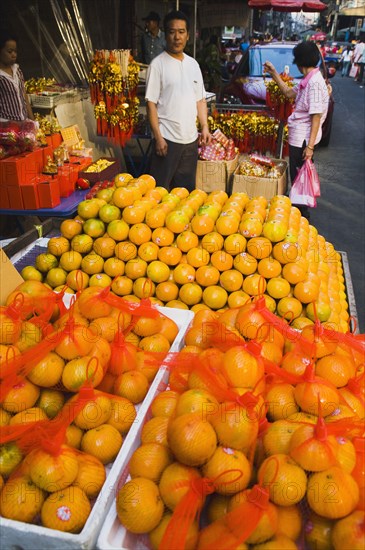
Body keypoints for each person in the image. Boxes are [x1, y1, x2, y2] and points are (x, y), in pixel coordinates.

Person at [145, 10, 211, 192]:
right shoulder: (157, 64)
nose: (177, 37)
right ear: (166, 34)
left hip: (190, 141)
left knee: (185, 193)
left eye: (181, 32)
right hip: (167, 140)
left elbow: (201, 100)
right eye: (172, 32)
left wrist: (204, 126)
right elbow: (150, 103)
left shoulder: (193, 64)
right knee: (159, 192)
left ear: (188, 35)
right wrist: (158, 137)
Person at [263, 41, 329, 220]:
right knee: (298, 178)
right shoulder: (307, 80)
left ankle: (301, 218)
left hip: (303, 140)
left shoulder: (314, 83)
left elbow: (316, 116)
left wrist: (310, 148)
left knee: (300, 180)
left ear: (299, 61)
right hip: (299, 138)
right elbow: (288, 93)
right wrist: (274, 73)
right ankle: (299, 215)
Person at [0, 30, 34, 121]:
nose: (14, 55)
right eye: (10, 52)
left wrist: (32, 120)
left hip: (23, 123)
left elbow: (24, 96)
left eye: (15, 51)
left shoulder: (17, 70)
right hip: (6, 127)